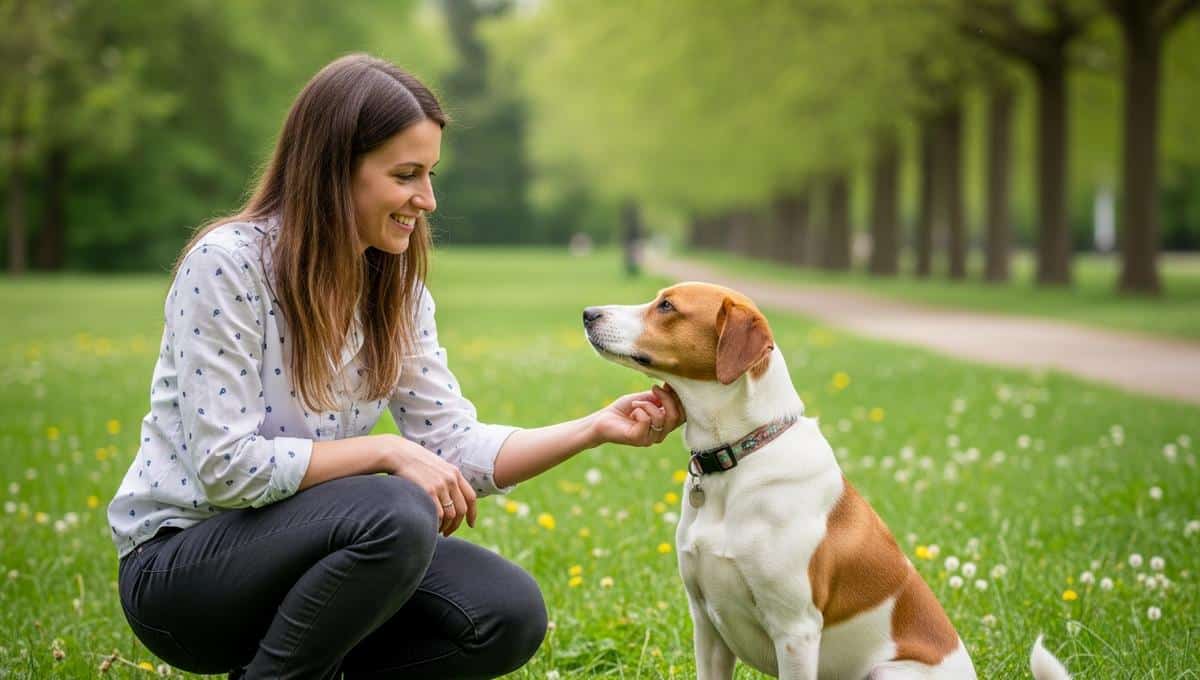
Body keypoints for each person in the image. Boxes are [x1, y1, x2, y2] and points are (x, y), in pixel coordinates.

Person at [108, 53, 685, 680]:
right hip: (184, 575)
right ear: (333, 171)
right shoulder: (228, 267)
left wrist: (595, 426)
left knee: (504, 612)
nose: (428, 199)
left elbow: (450, 445)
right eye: (407, 174)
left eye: (431, 174)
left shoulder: (396, 292)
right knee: (395, 509)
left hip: (320, 554)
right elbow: (227, 469)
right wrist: (385, 453)